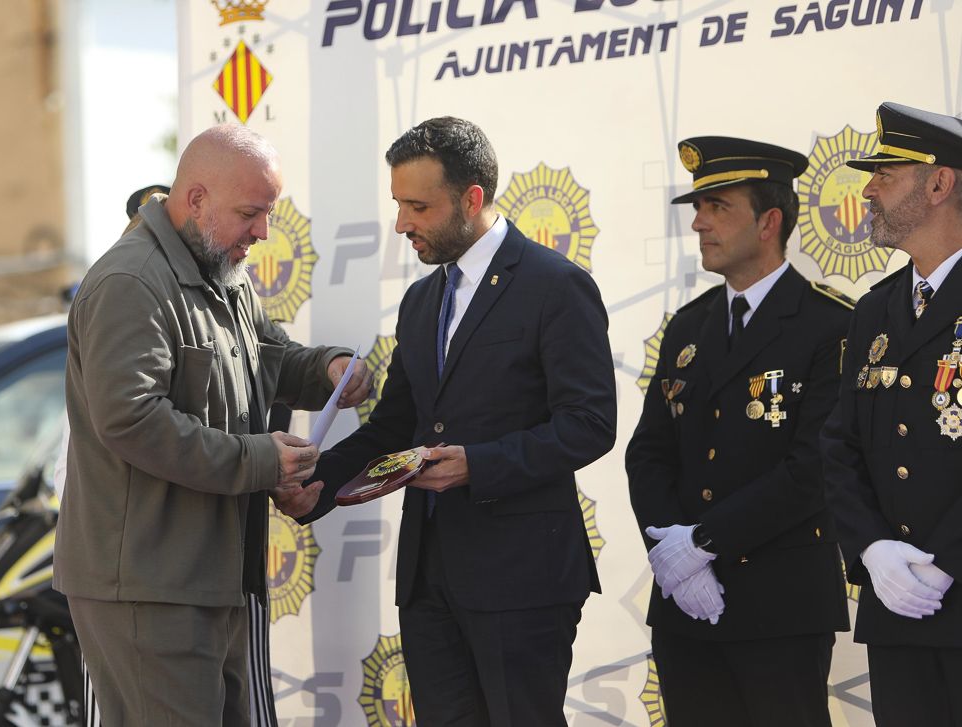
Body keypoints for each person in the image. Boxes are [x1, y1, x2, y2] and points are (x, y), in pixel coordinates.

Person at [278, 116, 617, 726]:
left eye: (418, 206)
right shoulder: (421, 299)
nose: (402, 223)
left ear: (473, 198)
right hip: (429, 579)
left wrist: (478, 466)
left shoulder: (556, 285)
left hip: (523, 579)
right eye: (398, 205)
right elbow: (394, 428)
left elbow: (590, 422)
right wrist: (318, 485)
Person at [53, 125, 371, 727]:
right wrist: (262, 462)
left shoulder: (220, 273)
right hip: (150, 587)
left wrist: (325, 369)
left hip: (207, 579)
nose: (263, 232)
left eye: (268, 213)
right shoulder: (132, 282)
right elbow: (131, 418)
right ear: (196, 199)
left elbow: (268, 358)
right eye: (251, 213)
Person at [625, 136, 852, 727]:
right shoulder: (689, 326)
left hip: (780, 604)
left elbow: (813, 470)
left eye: (718, 206)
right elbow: (648, 452)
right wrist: (673, 556)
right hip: (685, 604)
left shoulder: (830, 325)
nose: (698, 223)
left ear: (770, 220)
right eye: (698, 209)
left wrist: (702, 543)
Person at [821, 101, 962, 726]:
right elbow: (840, 445)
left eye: (886, 173)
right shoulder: (874, 310)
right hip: (897, 606)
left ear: (939, 183)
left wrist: (946, 563)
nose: (868, 190)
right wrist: (874, 548)